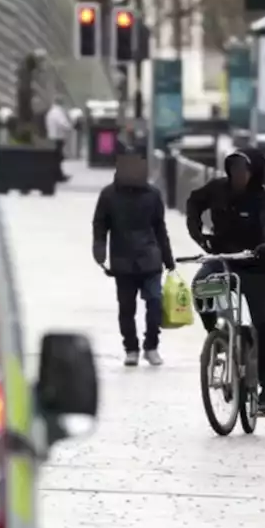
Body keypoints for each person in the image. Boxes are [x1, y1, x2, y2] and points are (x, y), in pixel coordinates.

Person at [186, 149, 265, 415]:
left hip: (255, 267)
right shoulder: (218, 189)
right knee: (201, 287)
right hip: (223, 260)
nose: (239, 175)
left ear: (255, 173)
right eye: (235, 169)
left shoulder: (264, 200)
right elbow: (194, 201)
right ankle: (217, 338)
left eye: (244, 170)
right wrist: (196, 230)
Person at [93, 147, 175, 367]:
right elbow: (100, 223)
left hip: (150, 258)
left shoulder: (153, 195)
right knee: (127, 308)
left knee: (155, 302)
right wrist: (99, 248)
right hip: (123, 261)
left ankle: (151, 346)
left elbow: (160, 228)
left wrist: (168, 259)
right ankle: (131, 348)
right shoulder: (109, 195)